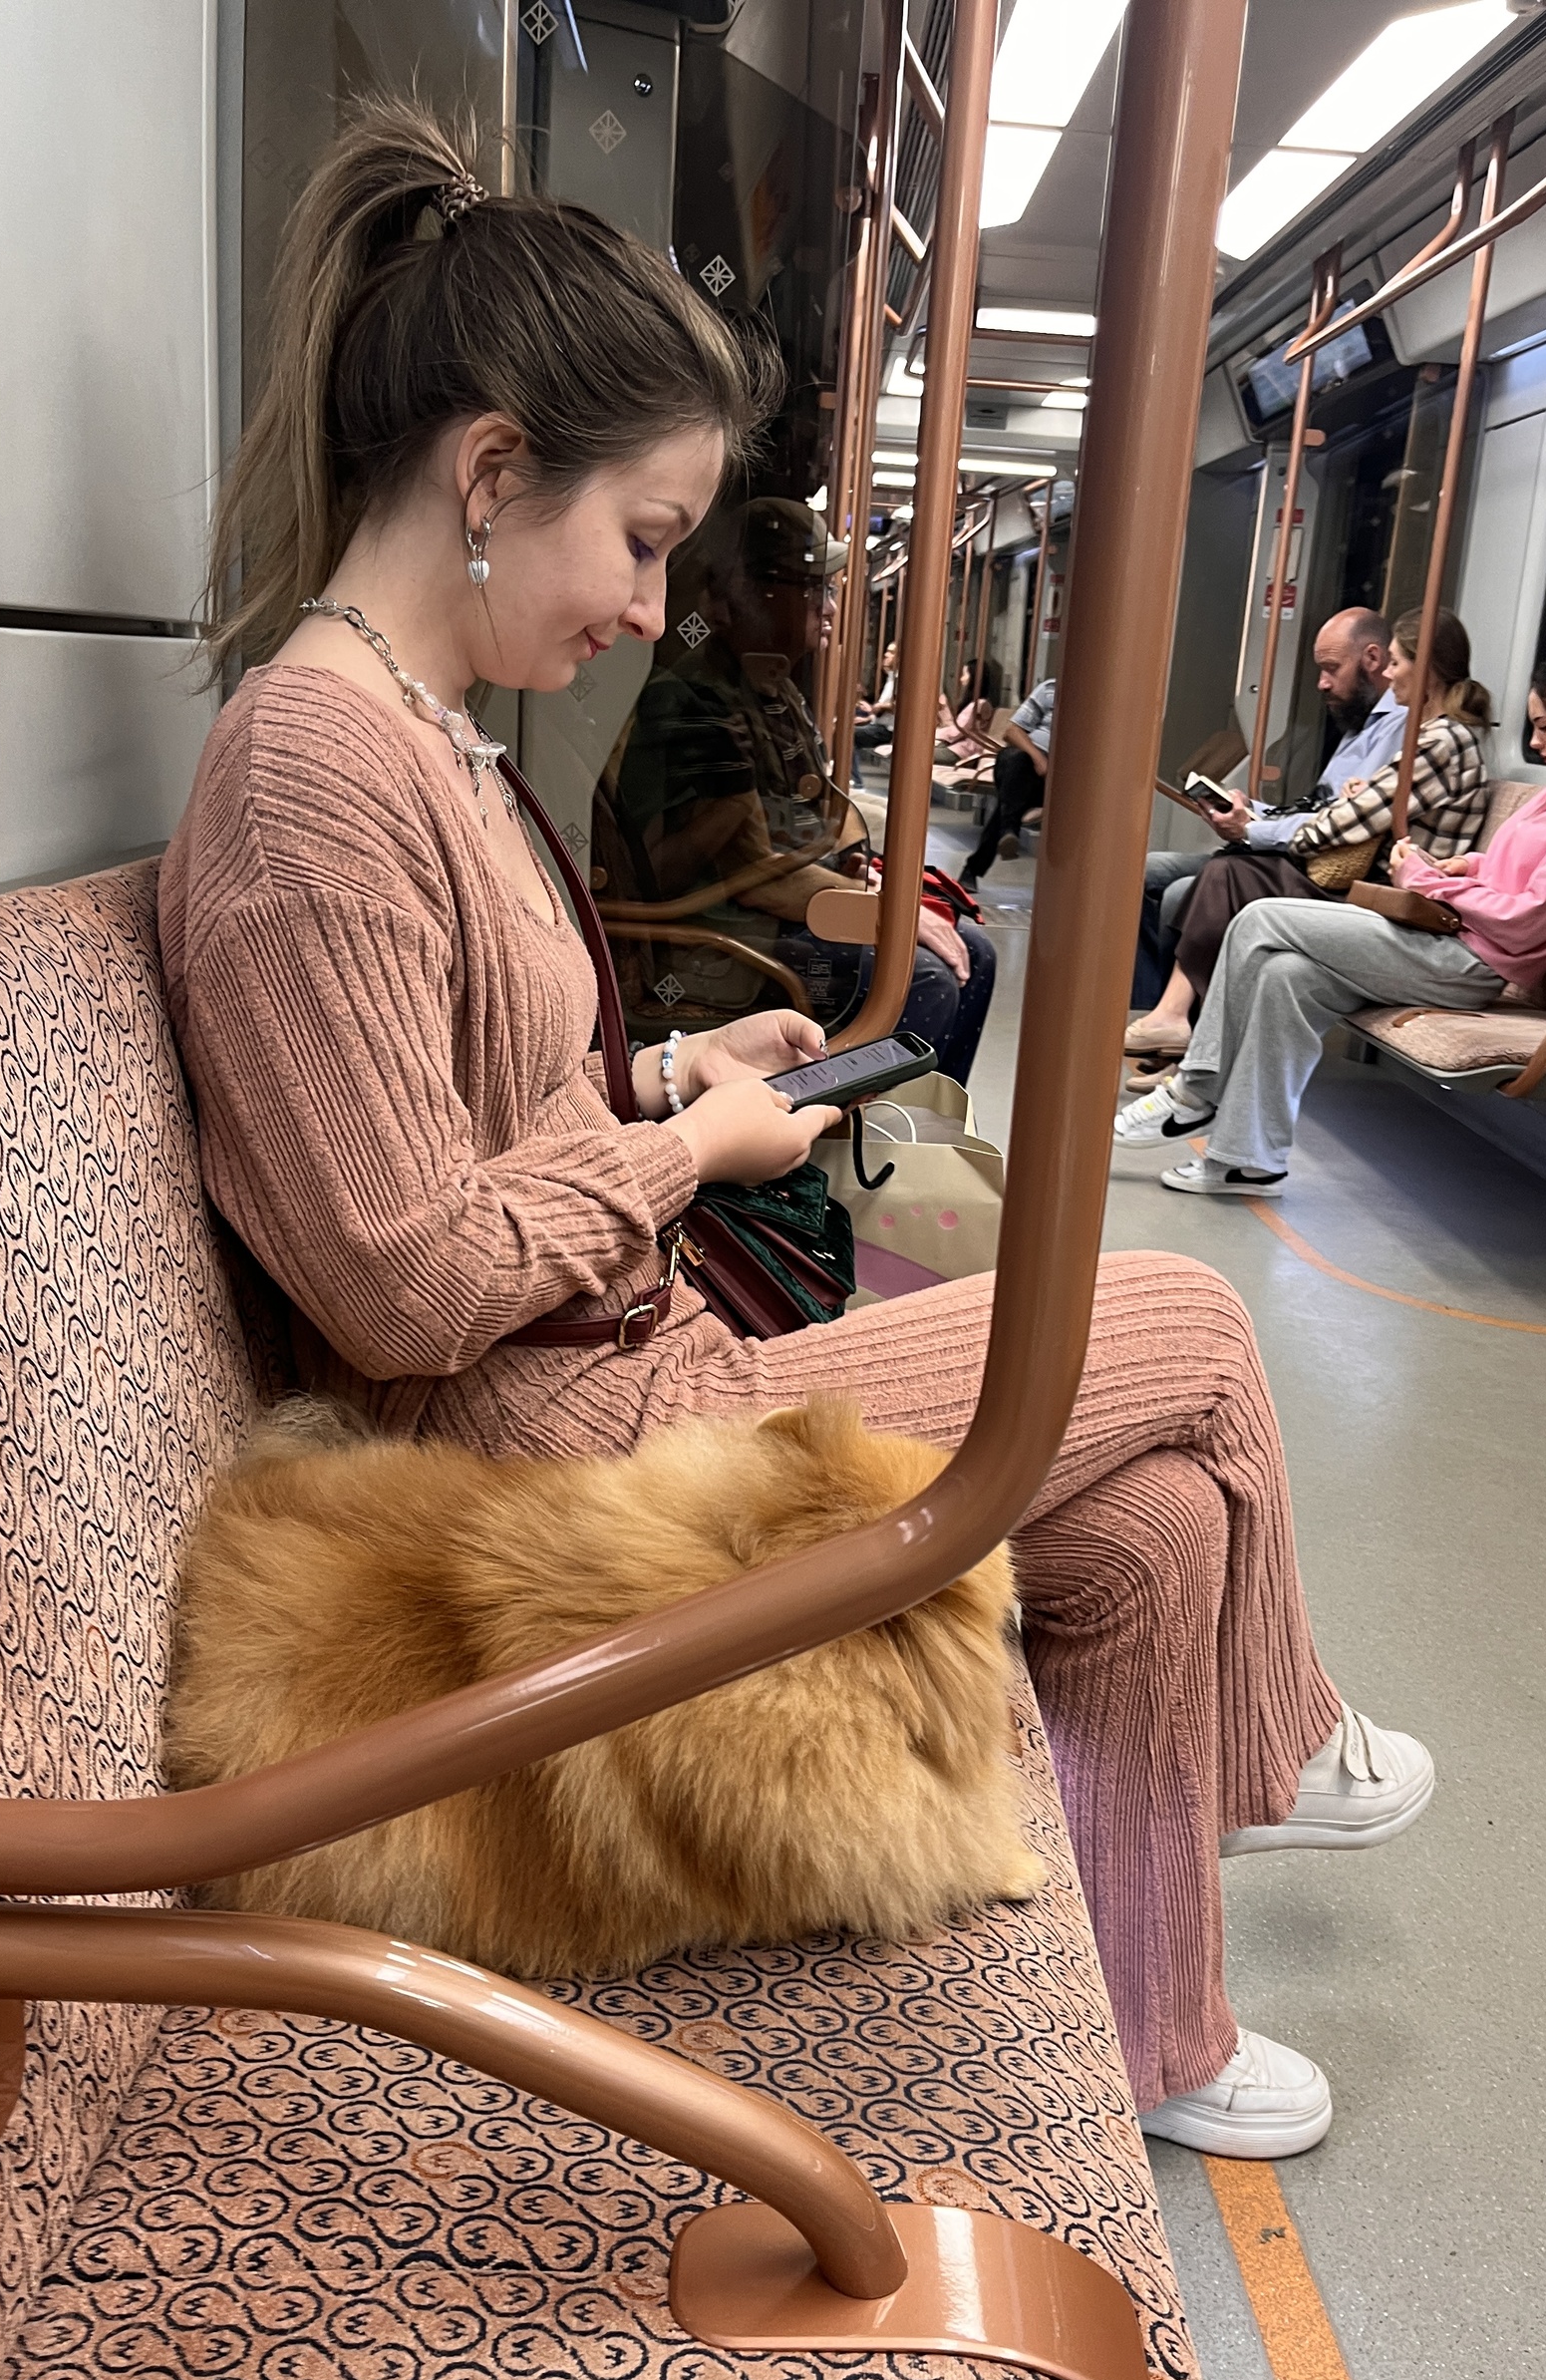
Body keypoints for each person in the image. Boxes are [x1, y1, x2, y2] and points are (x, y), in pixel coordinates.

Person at [160, 99, 1438, 2158]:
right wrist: (685, 1159)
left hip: (620, 1376)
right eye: (644, 541)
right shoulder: (313, 779)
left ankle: (1162, 2032)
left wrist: (665, 1079)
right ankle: (1277, 1758)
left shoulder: (426, 741)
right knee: (1185, 1331)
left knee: (1155, 1525)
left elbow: (472, 1120)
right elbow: (401, 1282)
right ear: (495, 473)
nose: (657, 610)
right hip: (538, 1482)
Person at [1128, 646, 1546, 1195]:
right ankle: (1247, 1160)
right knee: (1285, 976)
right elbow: (1519, 873)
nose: (1533, 743)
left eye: (1544, 726)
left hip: (1473, 961)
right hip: (1451, 935)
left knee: (1259, 919)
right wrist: (1463, 865)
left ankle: (1196, 1090)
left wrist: (1427, 881)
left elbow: (1533, 918)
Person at [596, 497, 996, 1083]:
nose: (828, 607)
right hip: (717, 936)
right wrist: (889, 913)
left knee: (974, 953)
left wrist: (859, 869)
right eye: (810, 588)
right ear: (747, 594)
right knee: (927, 975)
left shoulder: (769, 688)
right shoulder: (697, 704)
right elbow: (756, 875)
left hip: (758, 914)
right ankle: (831, 1140)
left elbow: (806, 815)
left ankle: (912, 1132)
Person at [1120, 608, 1485, 1109]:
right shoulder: (1427, 735)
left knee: (1229, 877)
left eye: (1398, 663)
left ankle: (1183, 1041)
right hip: (1371, 881)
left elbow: (1347, 821)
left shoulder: (1442, 741)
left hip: (1398, 905)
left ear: (1424, 670)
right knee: (1229, 872)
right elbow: (1355, 806)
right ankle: (1180, 1038)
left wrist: (1257, 830)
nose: (1391, 674)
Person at [958, 673, 1055, 885]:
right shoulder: (1050, 689)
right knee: (1013, 758)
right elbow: (1012, 732)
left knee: (1009, 804)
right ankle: (1008, 830)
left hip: (1053, 781)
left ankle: (1006, 832)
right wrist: (1038, 758)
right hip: (1026, 766)